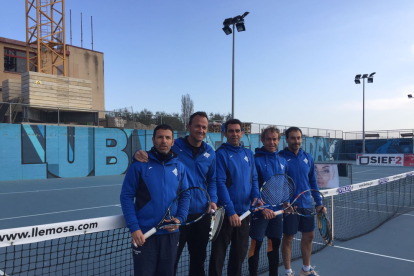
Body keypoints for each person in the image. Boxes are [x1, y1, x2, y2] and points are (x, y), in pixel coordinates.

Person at [134, 111, 217, 276]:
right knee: (171, 262)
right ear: (189, 127)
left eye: (204, 127)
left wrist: (212, 199)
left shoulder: (211, 152)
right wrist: (136, 155)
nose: (201, 130)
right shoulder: (174, 144)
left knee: (198, 260)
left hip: (202, 215)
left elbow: (212, 180)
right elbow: (153, 155)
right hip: (177, 216)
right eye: (197, 126)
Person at [120, 124, 190, 276]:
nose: (163, 141)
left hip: (171, 236)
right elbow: (126, 196)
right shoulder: (139, 165)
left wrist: (180, 218)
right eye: (160, 137)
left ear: (173, 142)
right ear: (153, 140)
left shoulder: (180, 167)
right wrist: (134, 228)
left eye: (167, 137)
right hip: (145, 236)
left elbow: (185, 195)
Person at [209, 119, 260, 276]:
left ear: (242, 133)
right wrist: (230, 212)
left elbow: (254, 178)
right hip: (225, 214)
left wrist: (256, 195)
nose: (234, 134)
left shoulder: (249, 154)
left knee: (238, 256)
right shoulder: (221, 154)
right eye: (231, 131)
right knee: (218, 256)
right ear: (225, 133)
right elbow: (220, 183)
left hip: (244, 214)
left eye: (237, 131)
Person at [279, 127, 325, 276]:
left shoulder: (308, 157)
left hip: (306, 204)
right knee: (288, 238)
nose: (296, 141)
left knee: (309, 236)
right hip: (290, 206)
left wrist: (318, 202)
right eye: (293, 138)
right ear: (287, 139)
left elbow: (312, 181)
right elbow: (279, 182)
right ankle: (288, 272)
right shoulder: (280, 157)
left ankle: (306, 270)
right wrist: (285, 202)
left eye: (298, 138)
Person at [248, 126, 288, 276]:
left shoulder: (283, 161)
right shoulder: (255, 160)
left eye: (275, 139)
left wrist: (286, 201)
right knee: (256, 245)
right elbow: (252, 186)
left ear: (278, 140)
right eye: (269, 139)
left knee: (274, 245)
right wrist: (262, 208)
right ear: (262, 140)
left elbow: (284, 184)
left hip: (277, 212)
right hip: (260, 212)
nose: (272, 142)